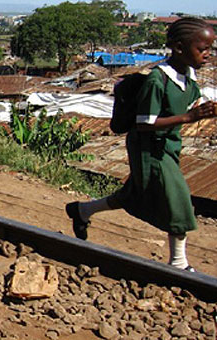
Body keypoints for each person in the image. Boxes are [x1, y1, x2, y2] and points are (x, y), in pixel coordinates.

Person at [66, 17, 216, 272]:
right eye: (202, 49)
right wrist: (190, 117)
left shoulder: (188, 77)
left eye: (210, 49)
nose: (208, 55)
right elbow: (145, 123)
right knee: (179, 200)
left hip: (169, 145)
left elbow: (185, 104)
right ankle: (179, 263)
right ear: (179, 48)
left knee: (133, 194)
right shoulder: (158, 81)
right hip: (149, 147)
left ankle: (81, 211)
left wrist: (201, 111)